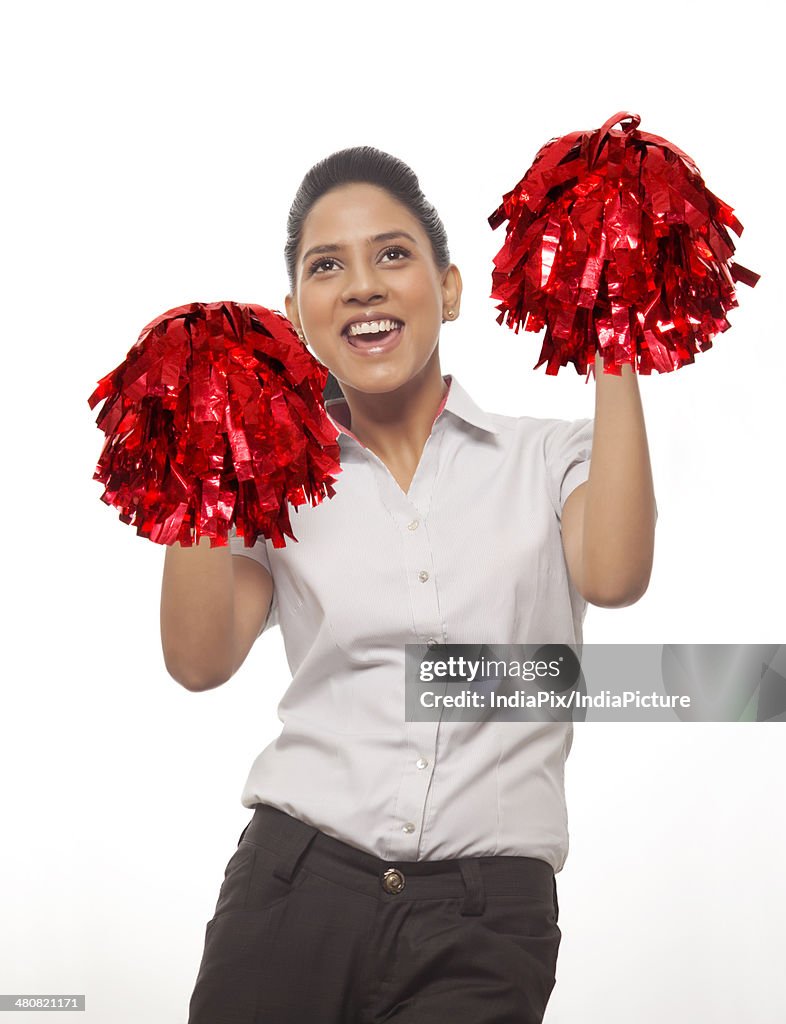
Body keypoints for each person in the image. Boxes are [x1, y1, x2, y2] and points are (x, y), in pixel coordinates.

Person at [160, 146, 657, 1023]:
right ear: (295, 316)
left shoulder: (552, 456)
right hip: (291, 887)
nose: (361, 285)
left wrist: (612, 323)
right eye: (327, 266)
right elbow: (199, 663)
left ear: (450, 289)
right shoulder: (272, 486)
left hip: (486, 915)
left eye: (392, 254)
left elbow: (614, 578)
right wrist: (205, 461)